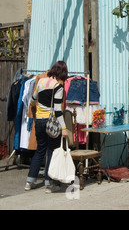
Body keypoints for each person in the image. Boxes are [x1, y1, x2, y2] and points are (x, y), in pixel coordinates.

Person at [25, 61, 69, 193]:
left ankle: (29, 182)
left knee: (39, 150)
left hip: (39, 121)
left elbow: (32, 100)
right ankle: (49, 185)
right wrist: (64, 128)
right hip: (51, 123)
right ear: (62, 73)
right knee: (51, 151)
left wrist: (39, 107)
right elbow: (57, 110)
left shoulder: (40, 82)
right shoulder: (58, 87)